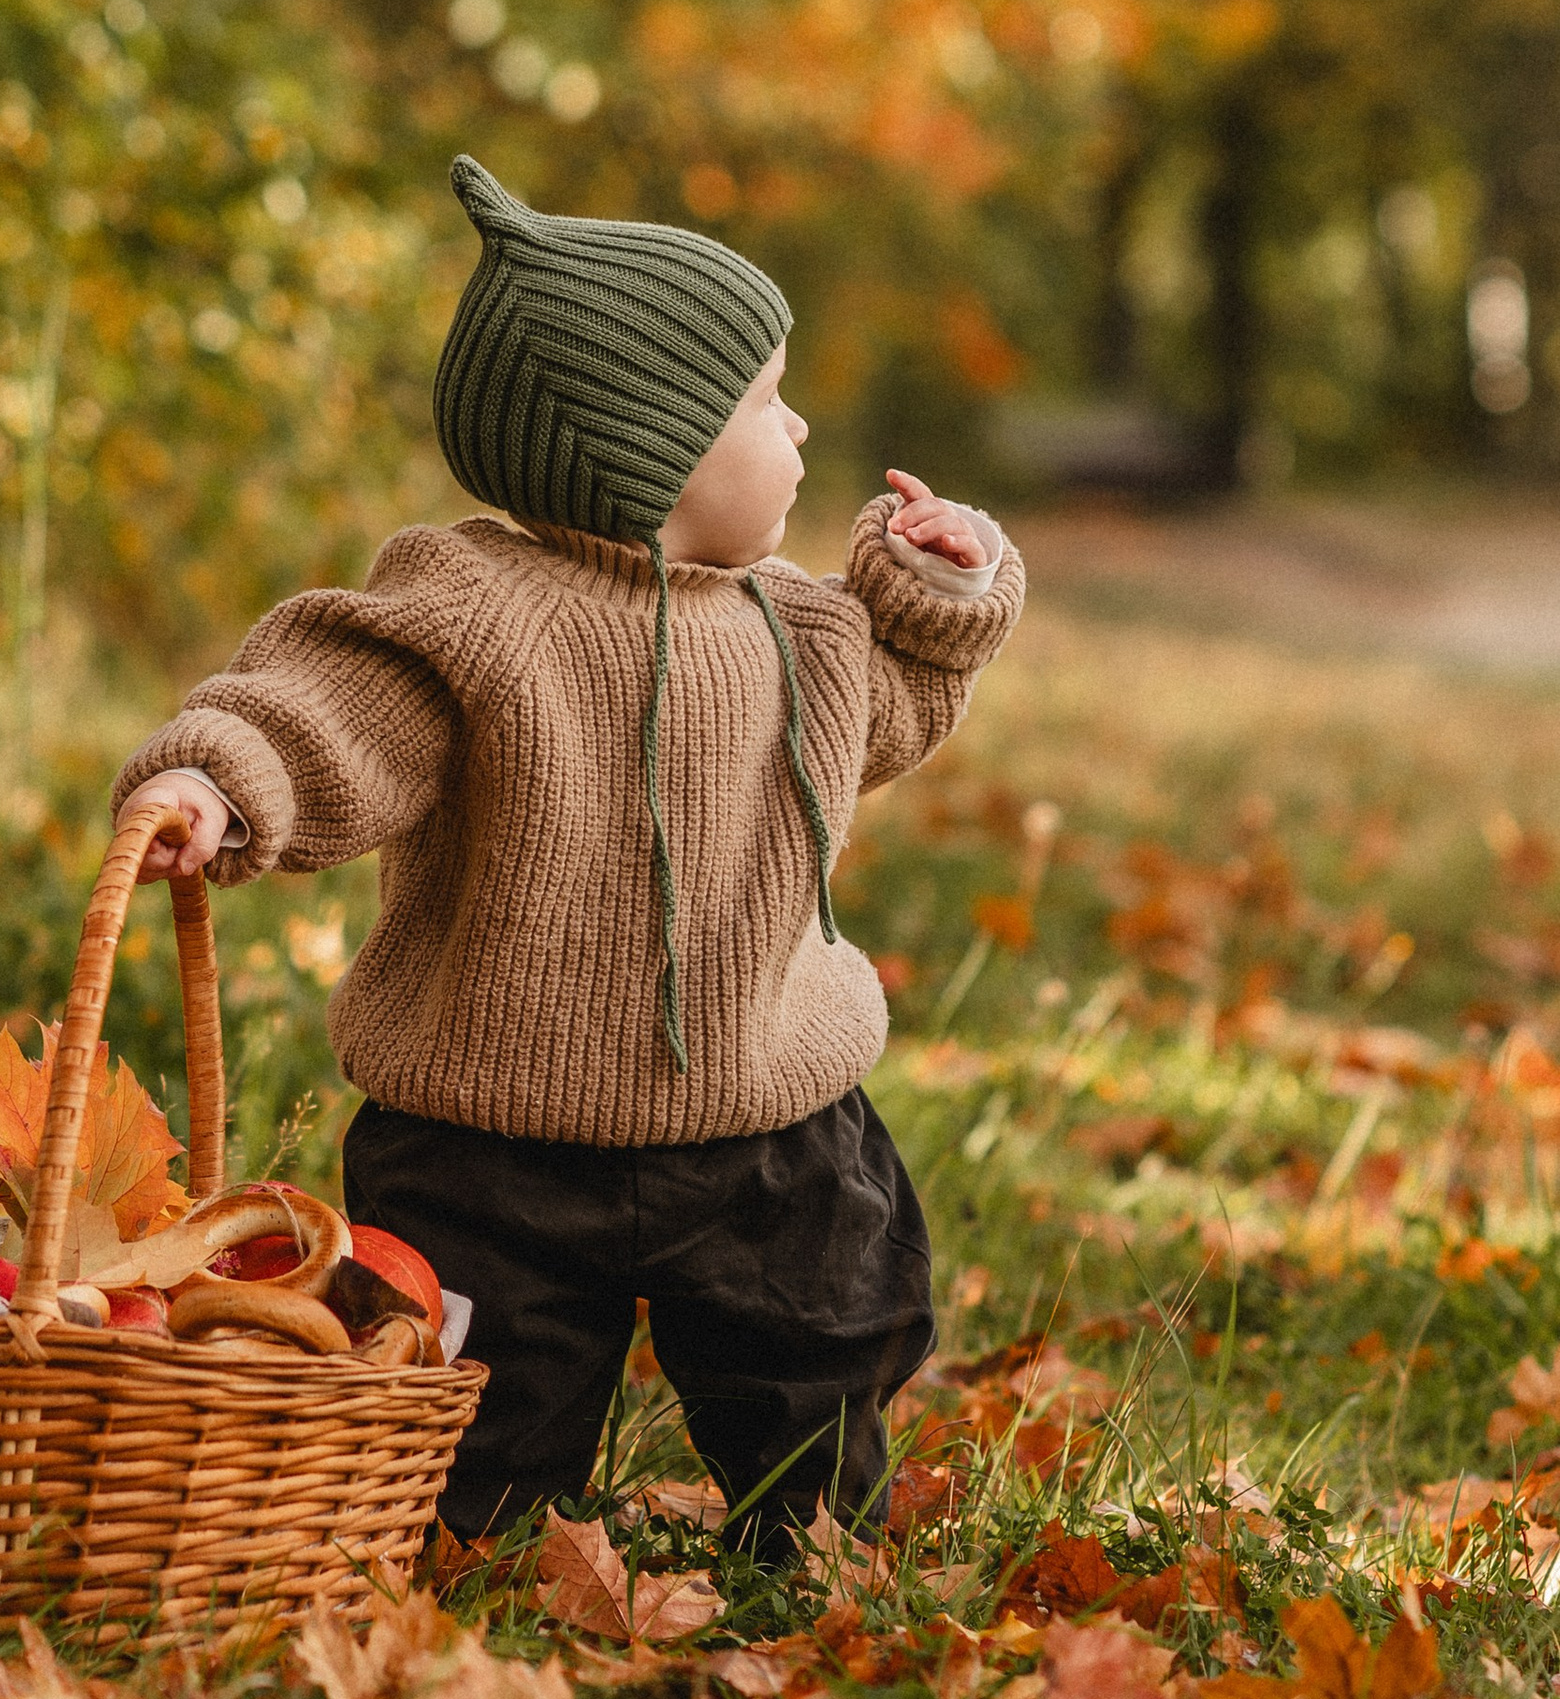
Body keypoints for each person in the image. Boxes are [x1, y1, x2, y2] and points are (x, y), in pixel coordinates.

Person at [110, 154, 1024, 1551]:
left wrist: (942, 587)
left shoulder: (800, 627)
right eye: (765, 403)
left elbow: (898, 707)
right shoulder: (473, 606)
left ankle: (814, 1540)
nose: (798, 432)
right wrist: (227, 778)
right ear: (646, 449)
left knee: (816, 1356)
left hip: (768, 1113)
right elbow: (338, 704)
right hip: (494, 1137)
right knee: (474, 1420)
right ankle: (474, 1540)